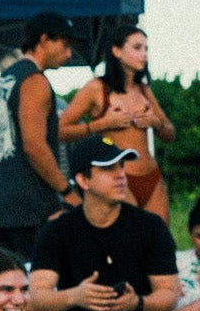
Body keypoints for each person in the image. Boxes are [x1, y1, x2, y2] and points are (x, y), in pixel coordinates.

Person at [26, 135, 183, 311]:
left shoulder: (150, 225)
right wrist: (74, 296)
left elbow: (168, 293)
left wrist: (138, 304)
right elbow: (35, 297)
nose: (121, 174)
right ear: (83, 180)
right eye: (109, 168)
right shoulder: (58, 229)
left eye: (121, 166)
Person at [59, 21, 176, 221]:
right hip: (119, 178)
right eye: (137, 48)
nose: (144, 54)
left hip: (151, 177)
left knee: (159, 244)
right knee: (127, 244)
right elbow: (60, 131)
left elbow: (170, 134)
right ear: (117, 51)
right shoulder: (97, 88)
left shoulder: (144, 90)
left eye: (146, 49)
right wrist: (101, 125)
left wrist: (154, 122)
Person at [0, 14, 80, 261]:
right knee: (35, 288)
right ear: (44, 40)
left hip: (3, 206)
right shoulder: (34, 81)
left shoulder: (5, 79)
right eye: (65, 43)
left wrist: (93, 128)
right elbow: (34, 146)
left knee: (6, 287)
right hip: (31, 209)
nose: (69, 53)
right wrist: (67, 191)